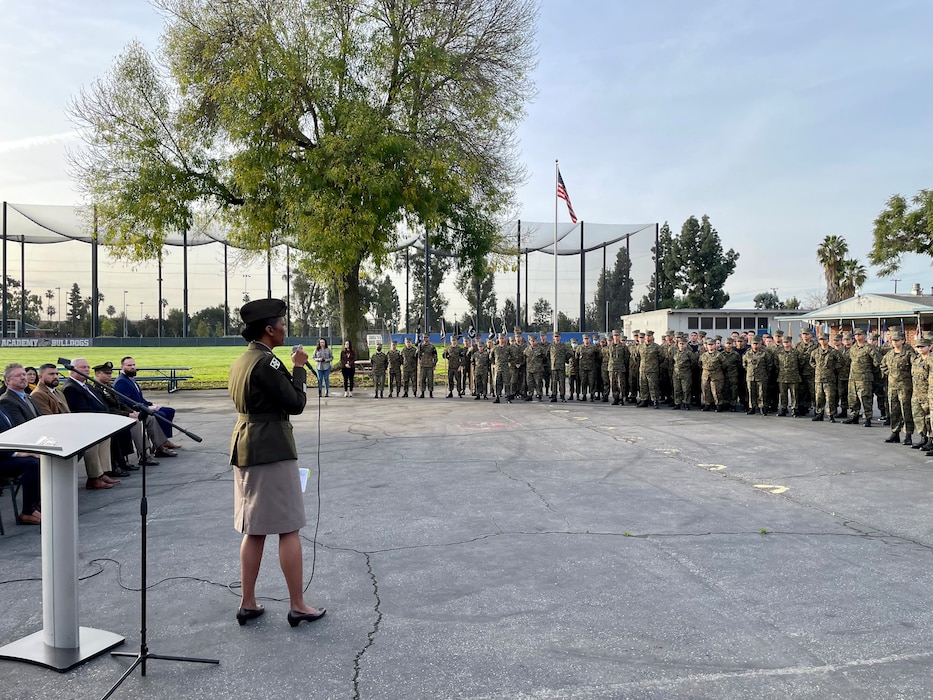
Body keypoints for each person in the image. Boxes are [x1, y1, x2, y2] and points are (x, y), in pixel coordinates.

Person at [228, 297, 325, 627]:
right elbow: (295, 402)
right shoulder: (266, 363)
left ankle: (248, 602)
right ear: (269, 330)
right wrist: (298, 367)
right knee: (288, 525)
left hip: (246, 446)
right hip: (271, 448)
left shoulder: (242, 361)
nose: (285, 329)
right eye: (282, 324)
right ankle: (297, 604)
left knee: (254, 529)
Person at [61, 358, 122, 490]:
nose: (87, 370)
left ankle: (103, 473)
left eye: (88, 367)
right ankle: (94, 477)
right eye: (83, 367)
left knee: (106, 437)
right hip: (84, 426)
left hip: (98, 422)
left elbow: (101, 403)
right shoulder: (71, 387)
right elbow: (81, 410)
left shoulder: (87, 385)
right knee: (93, 442)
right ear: (72, 370)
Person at [114, 356, 181, 456]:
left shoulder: (131, 379)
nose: (132, 367)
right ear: (122, 367)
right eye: (129, 365)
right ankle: (160, 445)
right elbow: (128, 403)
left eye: (133, 365)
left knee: (169, 411)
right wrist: (148, 408)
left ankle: (164, 440)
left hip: (143, 406)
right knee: (160, 414)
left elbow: (140, 399)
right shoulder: (121, 382)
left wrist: (151, 404)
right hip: (137, 410)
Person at [0, 406, 41, 524]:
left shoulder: (2, 409)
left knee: (41, 459)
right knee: (33, 464)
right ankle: (28, 512)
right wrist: (18, 453)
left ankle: (38, 504)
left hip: (7, 453)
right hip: (3, 458)